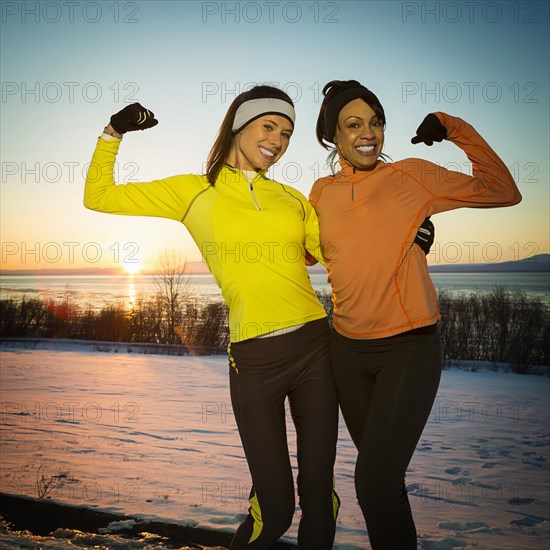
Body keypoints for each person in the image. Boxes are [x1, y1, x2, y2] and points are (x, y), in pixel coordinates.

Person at [83, 86, 340, 549]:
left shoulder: (292, 198)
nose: (278, 140)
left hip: (315, 348)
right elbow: (99, 197)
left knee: (321, 495)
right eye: (269, 126)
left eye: (287, 133)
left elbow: (341, 258)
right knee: (276, 510)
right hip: (255, 360)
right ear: (239, 124)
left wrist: (406, 238)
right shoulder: (193, 191)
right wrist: (113, 133)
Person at [310, 79, 522, 550]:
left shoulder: (411, 175)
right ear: (333, 136)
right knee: (382, 480)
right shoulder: (320, 192)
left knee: (373, 483)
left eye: (376, 122)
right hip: (345, 351)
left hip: (408, 348)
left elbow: (503, 191)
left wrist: (454, 128)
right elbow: (303, 253)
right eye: (353, 124)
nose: (369, 133)